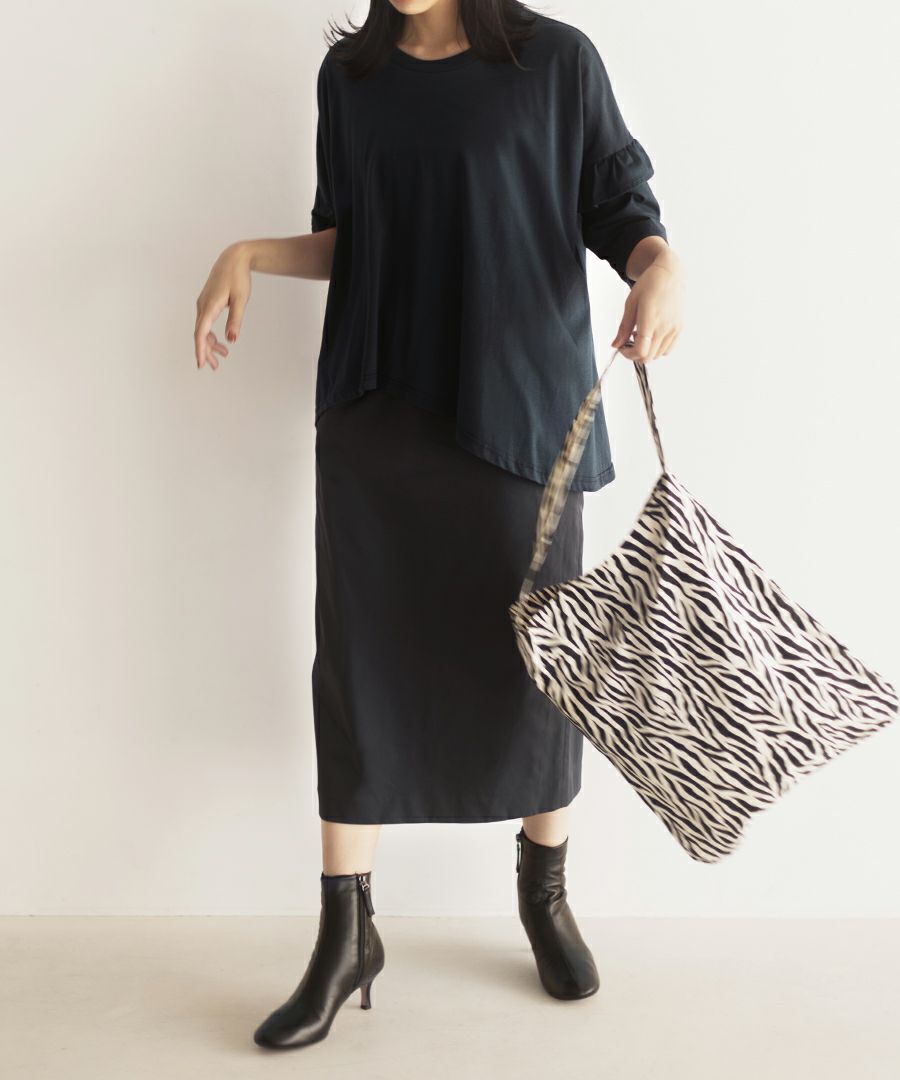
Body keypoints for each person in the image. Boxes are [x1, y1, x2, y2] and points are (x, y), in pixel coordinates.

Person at [193, 0, 684, 1052]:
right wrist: (251, 252)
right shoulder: (351, 82)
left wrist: (660, 265)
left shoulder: (557, 63)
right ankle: (346, 937)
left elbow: (617, 206)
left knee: (538, 666)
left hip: (519, 411)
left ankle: (545, 896)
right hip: (379, 413)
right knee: (358, 669)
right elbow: (355, 237)